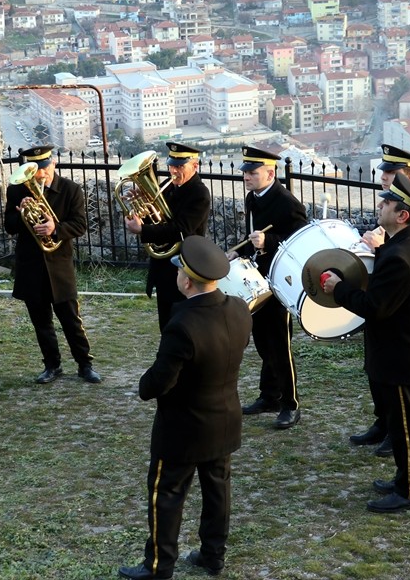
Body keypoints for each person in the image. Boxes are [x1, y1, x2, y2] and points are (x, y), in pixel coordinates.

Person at [119, 236, 252, 580]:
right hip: (224, 420)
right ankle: (213, 555)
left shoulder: (183, 325)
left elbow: (159, 382)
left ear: (186, 280)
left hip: (182, 428)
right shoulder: (239, 308)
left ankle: (159, 566)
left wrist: (144, 384)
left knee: (167, 494)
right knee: (218, 489)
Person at [321, 174, 410, 513]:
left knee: (408, 427)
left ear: (402, 215)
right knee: (405, 424)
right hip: (409, 351)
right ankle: (404, 478)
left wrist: (339, 288)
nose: (380, 205)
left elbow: (375, 307)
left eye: (387, 203)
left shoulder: (402, 258)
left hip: (405, 357)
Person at [350, 144, 410, 456]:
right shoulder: (402, 227)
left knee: (406, 418)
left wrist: (377, 249)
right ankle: (385, 424)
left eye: (391, 172)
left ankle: (403, 460)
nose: (383, 177)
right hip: (392, 329)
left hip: (405, 336)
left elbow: (404, 269)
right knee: (382, 379)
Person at [225, 146, 309, 429]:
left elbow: (301, 239)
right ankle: (270, 395)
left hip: (281, 280)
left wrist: (269, 242)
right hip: (258, 277)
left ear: (270, 173)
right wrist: (240, 251)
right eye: (245, 172)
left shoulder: (287, 202)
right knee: (263, 340)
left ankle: (290, 404)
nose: (246, 176)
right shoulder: (252, 198)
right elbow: (254, 235)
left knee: (279, 344)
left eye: (252, 172)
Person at [4, 145, 101, 384]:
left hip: (59, 265)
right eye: (35, 170)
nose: (41, 174)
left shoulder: (70, 190)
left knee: (71, 320)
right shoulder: (16, 190)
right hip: (31, 265)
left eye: (45, 168)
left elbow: (79, 225)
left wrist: (55, 228)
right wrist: (22, 213)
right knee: (41, 322)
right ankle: (52, 365)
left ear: (53, 164)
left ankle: (85, 364)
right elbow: (9, 226)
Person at [124, 142, 210, 331]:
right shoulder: (168, 185)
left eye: (180, 166)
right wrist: (141, 211)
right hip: (164, 267)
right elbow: (157, 220)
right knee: (166, 322)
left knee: (183, 324)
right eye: (172, 165)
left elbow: (182, 229)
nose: (174, 171)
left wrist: (142, 231)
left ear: (195, 166)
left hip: (185, 265)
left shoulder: (200, 193)